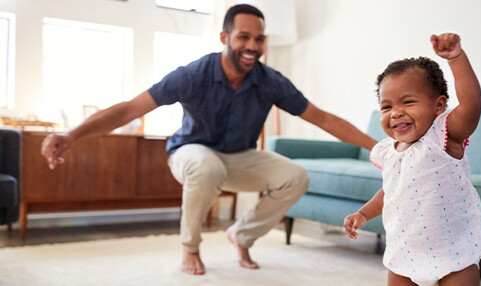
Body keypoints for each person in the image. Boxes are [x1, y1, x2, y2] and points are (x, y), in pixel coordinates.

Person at [41, 4, 377, 276]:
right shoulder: (193, 74)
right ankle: (190, 246)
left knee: (296, 176)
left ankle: (241, 235)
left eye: (259, 39)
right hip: (190, 153)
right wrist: (71, 135)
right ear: (224, 36)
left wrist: (378, 147)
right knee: (205, 165)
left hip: (239, 156)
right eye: (244, 37)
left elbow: (322, 118)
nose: (252, 47)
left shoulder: (270, 81)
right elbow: (130, 108)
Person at [343, 33, 481, 286]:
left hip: (453, 251)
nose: (396, 112)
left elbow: (472, 105)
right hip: (405, 250)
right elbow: (391, 191)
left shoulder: (444, 137)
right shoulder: (389, 150)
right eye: (386, 107)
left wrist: (456, 60)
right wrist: (364, 214)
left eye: (408, 102)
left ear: (439, 105)